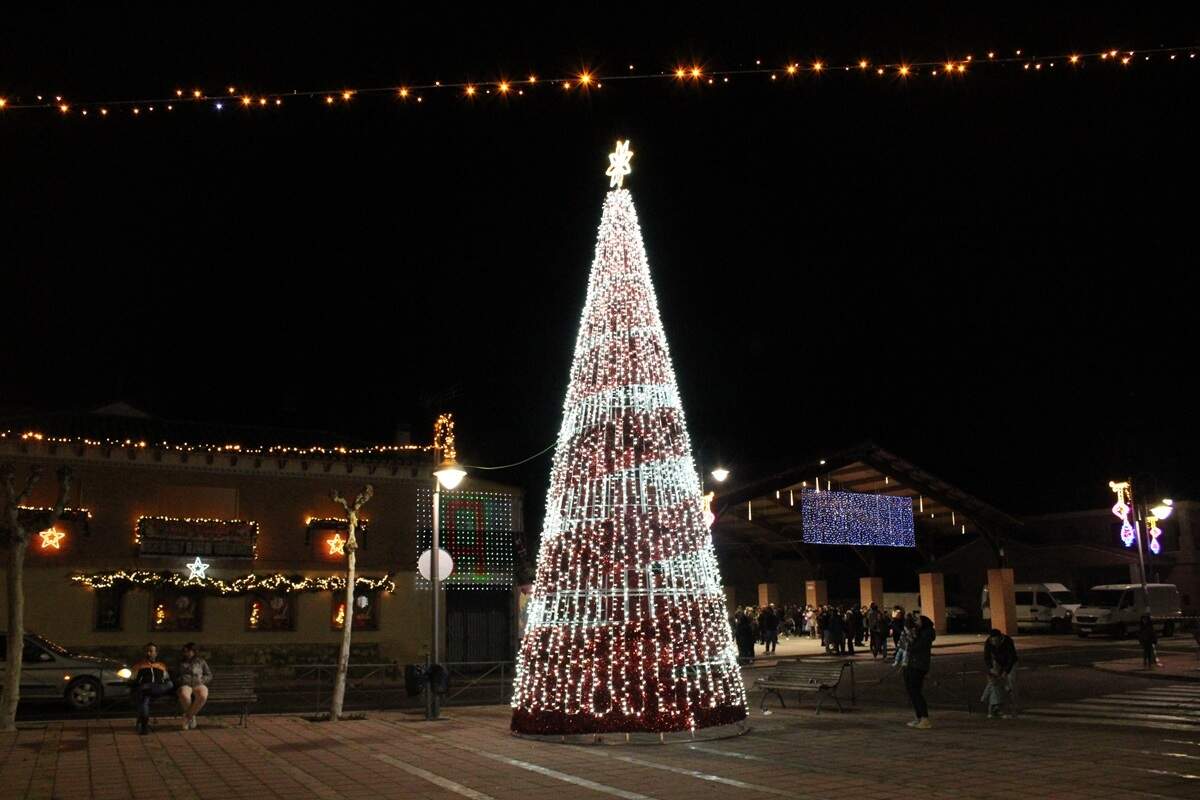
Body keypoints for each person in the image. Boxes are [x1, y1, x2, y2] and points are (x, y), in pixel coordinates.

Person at [130, 642, 173, 735]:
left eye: (151, 651)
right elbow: (133, 680)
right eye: (147, 651)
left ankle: (142, 723)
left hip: (158, 688)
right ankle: (144, 726)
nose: (148, 653)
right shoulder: (139, 665)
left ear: (156, 653)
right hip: (146, 688)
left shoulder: (161, 665)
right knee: (144, 700)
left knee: (170, 684)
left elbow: (167, 679)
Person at [903, 615, 936, 729]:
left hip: (918, 665)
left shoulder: (926, 634)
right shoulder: (920, 633)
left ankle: (925, 718)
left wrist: (911, 638)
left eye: (918, 620)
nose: (916, 622)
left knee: (916, 692)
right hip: (912, 664)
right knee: (912, 692)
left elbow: (915, 647)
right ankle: (919, 717)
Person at [982, 628, 1018, 718]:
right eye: (993, 640)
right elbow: (986, 657)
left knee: (1011, 683)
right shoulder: (988, 642)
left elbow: (1012, 658)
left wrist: (1006, 671)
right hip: (997, 661)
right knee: (994, 683)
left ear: (1000, 638)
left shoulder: (1008, 641)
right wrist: (991, 668)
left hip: (1010, 662)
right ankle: (994, 708)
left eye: (996, 640)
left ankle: (1013, 708)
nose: (995, 643)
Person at [177, 642, 212, 730]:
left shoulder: (201, 662)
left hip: (198, 684)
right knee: (184, 695)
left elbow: (209, 674)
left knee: (203, 696)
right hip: (186, 684)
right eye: (184, 651)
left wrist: (202, 680)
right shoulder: (180, 662)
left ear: (193, 651)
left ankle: (188, 717)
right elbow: (175, 675)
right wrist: (181, 680)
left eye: (188, 651)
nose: (186, 653)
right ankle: (192, 717)